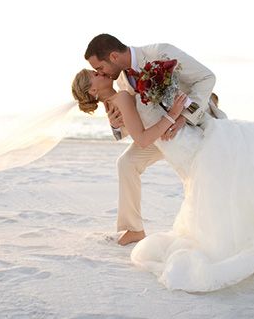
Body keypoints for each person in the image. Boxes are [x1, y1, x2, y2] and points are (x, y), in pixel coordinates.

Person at [70, 67, 254, 292]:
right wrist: (170, 114)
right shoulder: (119, 98)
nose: (100, 72)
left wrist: (174, 113)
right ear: (93, 91)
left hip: (186, 139)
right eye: (94, 74)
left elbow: (144, 117)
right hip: (182, 144)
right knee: (251, 163)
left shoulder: (125, 86)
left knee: (249, 165)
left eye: (97, 68)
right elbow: (141, 135)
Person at [83, 33, 227, 246]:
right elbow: (135, 119)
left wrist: (182, 117)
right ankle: (133, 229)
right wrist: (116, 126)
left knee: (222, 179)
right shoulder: (122, 80)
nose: (100, 73)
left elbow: (207, 78)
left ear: (113, 56)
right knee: (127, 163)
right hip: (159, 134)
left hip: (193, 126)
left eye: (100, 68)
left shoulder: (160, 53)